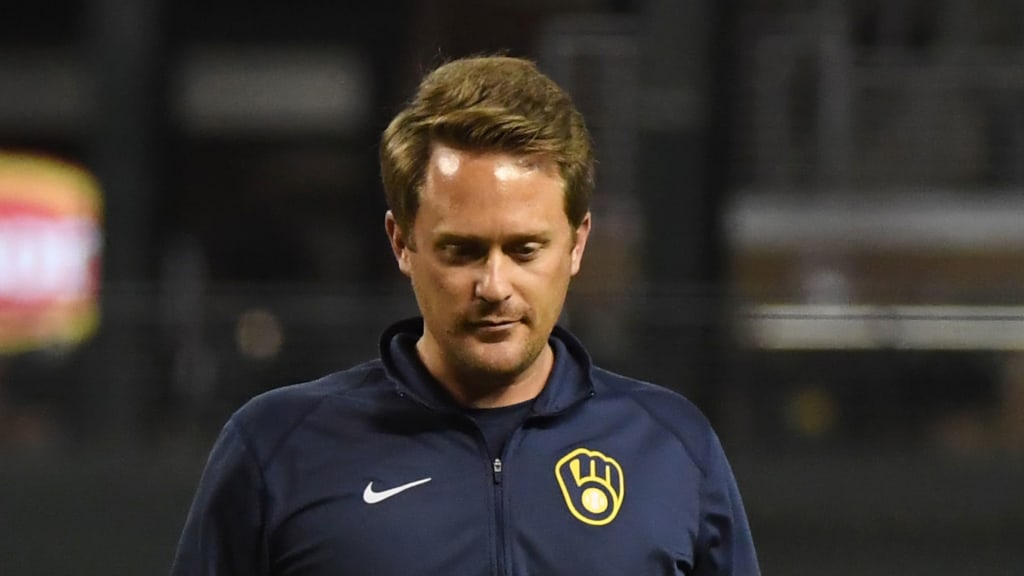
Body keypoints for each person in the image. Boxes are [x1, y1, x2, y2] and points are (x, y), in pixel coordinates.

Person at [170, 54, 760, 575]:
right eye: (463, 250)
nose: (495, 286)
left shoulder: (672, 446)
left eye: (525, 250)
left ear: (578, 244)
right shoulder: (277, 449)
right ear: (401, 243)